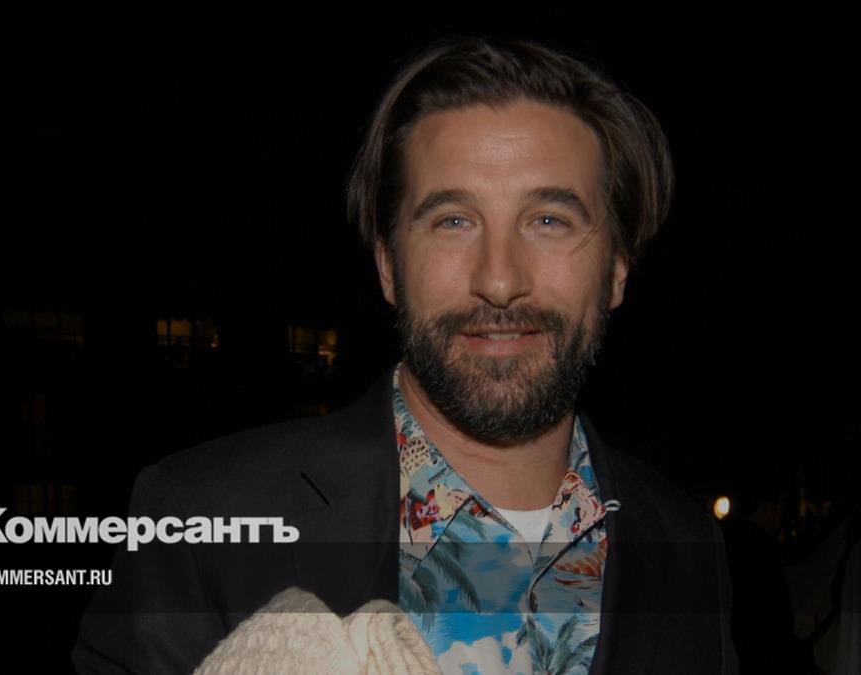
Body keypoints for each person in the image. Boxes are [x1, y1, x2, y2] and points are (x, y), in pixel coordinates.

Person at [74, 37, 738, 674]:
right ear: (389, 266)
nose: (499, 280)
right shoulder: (200, 522)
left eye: (548, 220)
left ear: (617, 270)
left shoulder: (686, 546)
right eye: (453, 221)